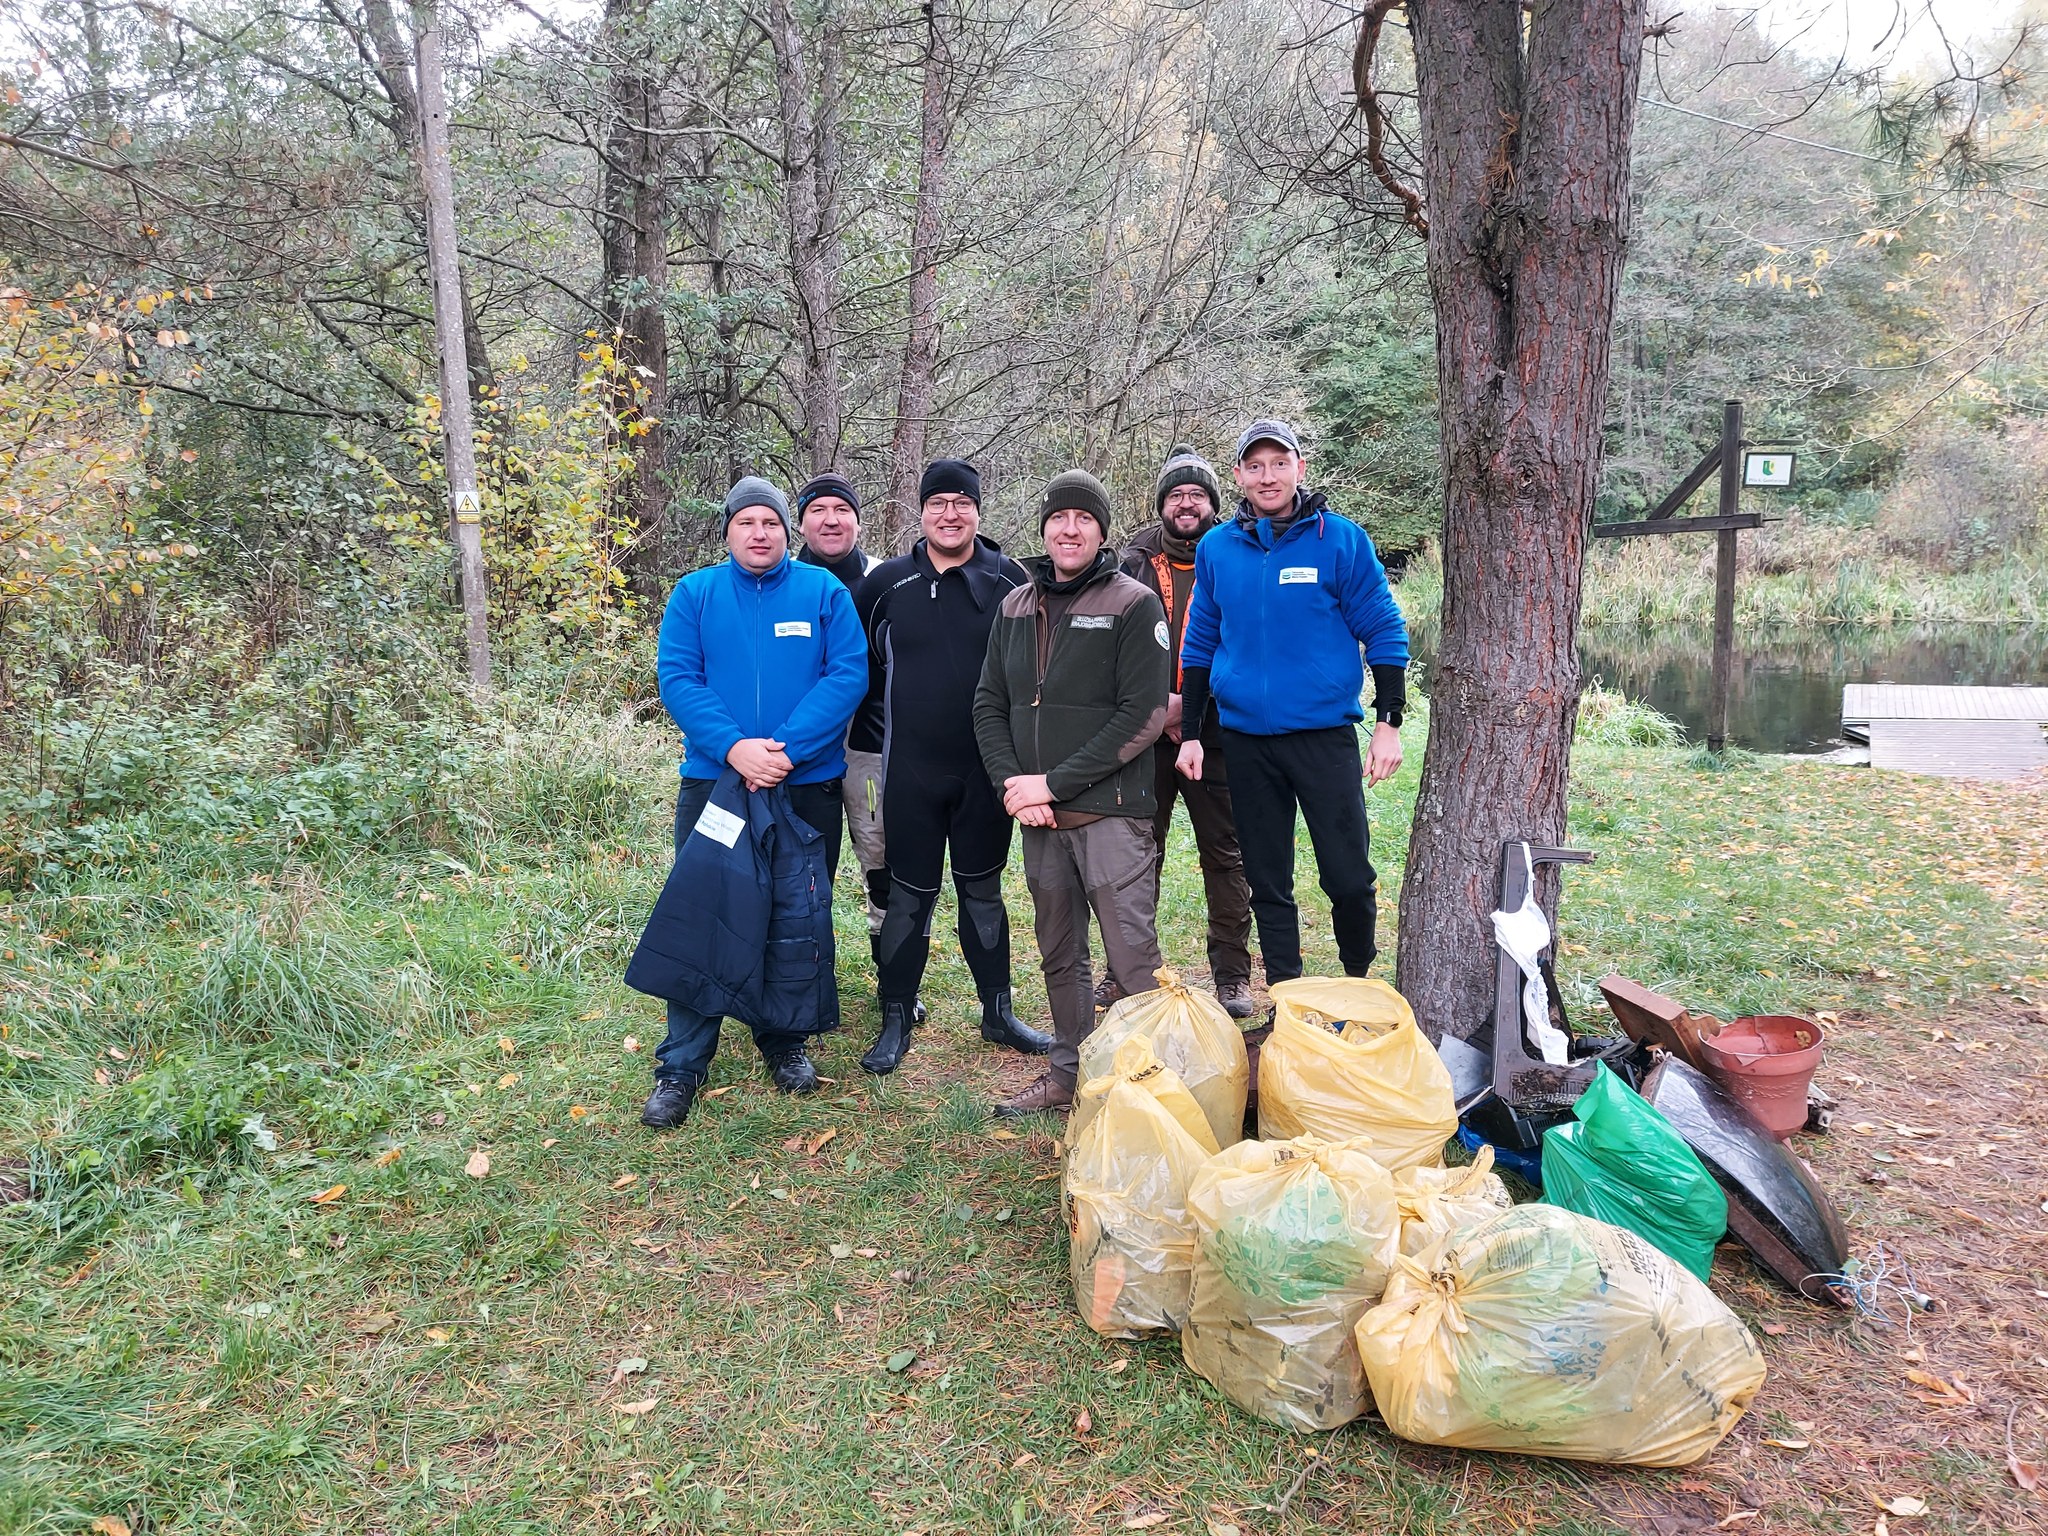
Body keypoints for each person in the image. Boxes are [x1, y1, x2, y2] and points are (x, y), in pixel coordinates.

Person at [637, 476, 867, 1128]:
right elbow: (679, 678)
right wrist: (737, 749)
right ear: (728, 531)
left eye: (770, 522)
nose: (759, 533)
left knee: (793, 916)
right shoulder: (696, 595)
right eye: (747, 523)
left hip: (805, 782)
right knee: (705, 914)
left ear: (787, 533)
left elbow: (847, 673)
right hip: (716, 781)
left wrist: (787, 750)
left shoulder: (822, 593)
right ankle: (681, 1065)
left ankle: (783, 1041)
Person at [1175, 419, 1408, 991]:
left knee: (1348, 875)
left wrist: (1388, 722)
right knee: (1266, 878)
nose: (1268, 476)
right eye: (1254, 466)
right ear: (1239, 477)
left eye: (1279, 463)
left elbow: (1383, 627)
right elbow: (1200, 642)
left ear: (1300, 469)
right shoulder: (1217, 549)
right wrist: (1190, 733)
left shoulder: (1341, 540)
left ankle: (1357, 981)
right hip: (1246, 743)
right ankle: (1284, 990)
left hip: (1323, 737)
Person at [974, 469, 1170, 1115]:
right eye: (1059, 517)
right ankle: (1069, 1075)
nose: (1069, 528)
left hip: (1110, 815)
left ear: (1103, 531)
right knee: (1060, 953)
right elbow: (989, 704)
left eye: (1084, 518)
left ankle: (1147, 1089)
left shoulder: (1134, 602)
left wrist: (1052, 784)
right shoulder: (1015, 605)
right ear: (1044, 528)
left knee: (1132, 961)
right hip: (1038, 820)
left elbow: (1142, 715)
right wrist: (1014, 786)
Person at [853, 459, 1051, 1074]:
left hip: (986, 771)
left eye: (961, 502)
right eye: (937, 503)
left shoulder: (1013, 581)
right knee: (907, 897)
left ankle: (997, 1011)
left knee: (982, 892)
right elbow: (851, 673)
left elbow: (1045, 668)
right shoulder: (884, 584)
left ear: (978, 510)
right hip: (908, 768)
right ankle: (895, 1015)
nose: (950, 513)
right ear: (920, 512)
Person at [1114, 444, 1257, 1020]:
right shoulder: (1130, 560)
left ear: (1213, 503)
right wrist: (1159, 708)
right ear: (1162, 505)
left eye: (1197, 494)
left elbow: (1250, 642)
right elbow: (1111, 648)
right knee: (1135, 854)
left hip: (1218, 733)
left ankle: (1232, 975)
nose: (1186, 504)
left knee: (1226, 856)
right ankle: (1128, 972)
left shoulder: (1237, 552)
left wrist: (1194, 709)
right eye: (1176, 494)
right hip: (1143, 735)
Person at [793, 472, 891, 941]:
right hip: (797, 746)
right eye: (818, 511)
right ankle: (805, 976)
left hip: (868, 746)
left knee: (880, 857)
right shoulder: (779, 579)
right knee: (800, 864)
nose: (831, 521)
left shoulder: (886, 578)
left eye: (842, 511)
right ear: (801, 523)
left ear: (857, 520)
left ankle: (893, 980)